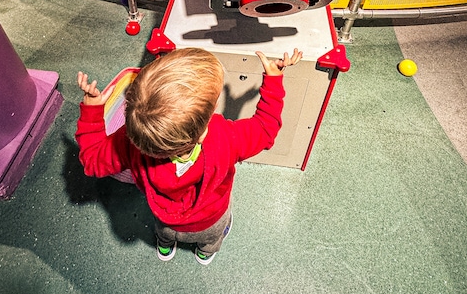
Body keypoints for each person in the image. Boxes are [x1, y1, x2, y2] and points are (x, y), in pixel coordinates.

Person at [76, 45, 302, 266]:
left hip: (165, 221)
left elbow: (92, 160)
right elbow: (265, 128)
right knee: (211, 240)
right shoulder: (224, 138)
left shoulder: (130, 141)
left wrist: (92, 111)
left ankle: (165, 247)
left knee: (165, 234)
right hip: (211, 221)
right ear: (202, 133)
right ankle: (204, 254)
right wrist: (273, 80)